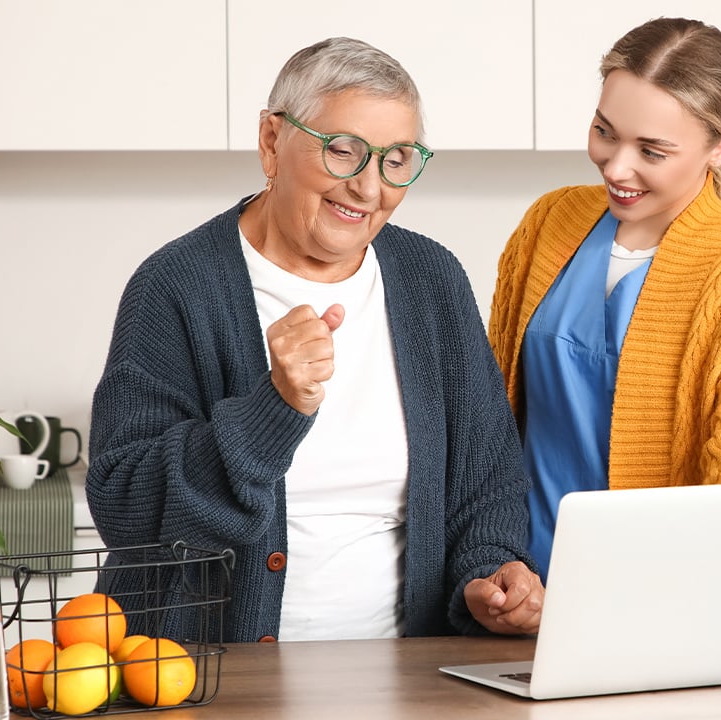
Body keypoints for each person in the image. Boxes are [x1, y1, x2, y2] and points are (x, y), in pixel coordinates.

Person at [87, 37, 543, 642]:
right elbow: (124, 507)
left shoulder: (431, 280)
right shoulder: (177, 285)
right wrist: (272, 408)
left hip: (405, 679)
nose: (369, 187)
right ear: (272, 142)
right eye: (344, 151)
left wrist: (490, 575)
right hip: (214, 675)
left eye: (397, 158)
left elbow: (486, 483)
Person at [488, 18, 721, 581]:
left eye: (651, 151)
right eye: (605, 131)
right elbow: (487, 416)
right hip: (513, 578)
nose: (615, 166)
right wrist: (486, 564)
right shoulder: (550, 222)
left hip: (654, 592)